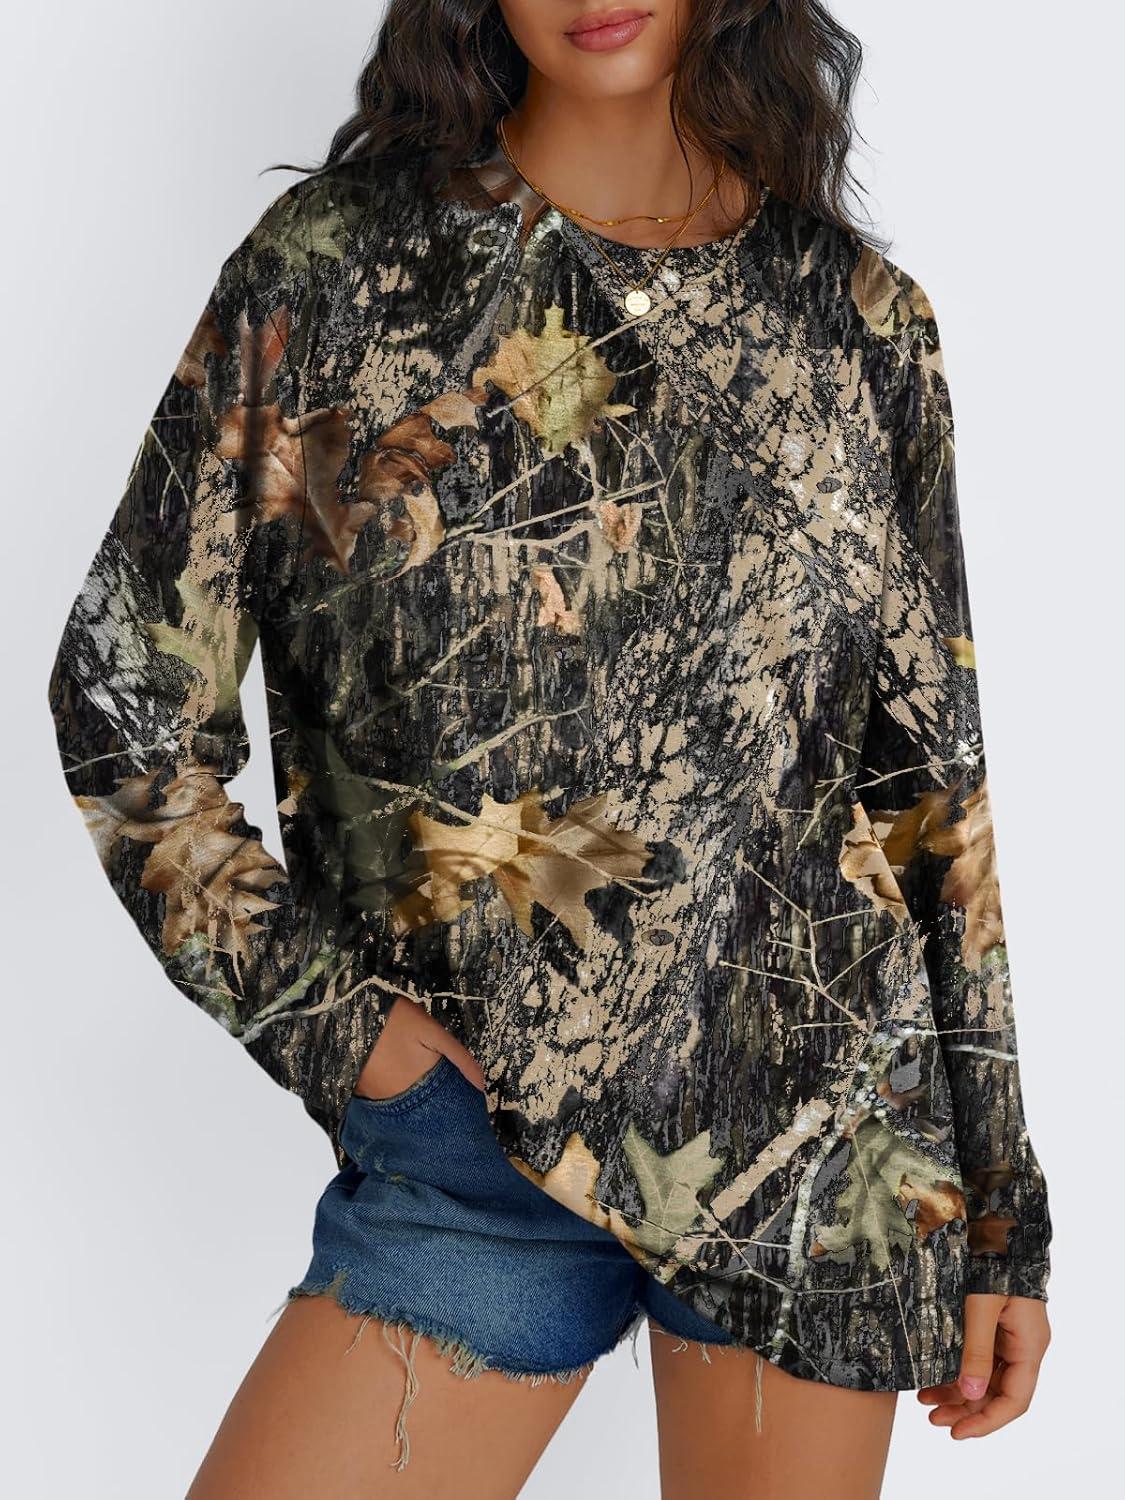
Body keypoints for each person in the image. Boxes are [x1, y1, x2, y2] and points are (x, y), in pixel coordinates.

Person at [46, 1, 1053, 1495]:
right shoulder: (336, 274)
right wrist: (339, 1030)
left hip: (816, 1158)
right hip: (472, 1149)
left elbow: (931, 791)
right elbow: (122, 695)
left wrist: (1002, 1215)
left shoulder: (854, 319)